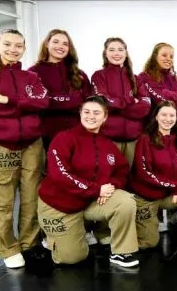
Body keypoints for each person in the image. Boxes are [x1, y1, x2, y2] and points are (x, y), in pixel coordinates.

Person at [0, 29, 48, 269]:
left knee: (31, 197)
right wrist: (26, 107)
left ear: (24, 48)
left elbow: (43, 102)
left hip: (31, 144)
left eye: (18, 45)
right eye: (7, 44)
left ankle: (29, 243)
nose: (13, 49)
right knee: (1, 199)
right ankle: (8, 248)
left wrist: (7, 100)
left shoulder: (30, 77)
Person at [37, 96, 139, 268]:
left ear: (105, 117)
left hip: (88, 201)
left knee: (125, 201)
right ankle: (53, 237)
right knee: (72, 258)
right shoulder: (64, 138)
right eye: (87, 112)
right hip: (61, 205)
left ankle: (122, 252)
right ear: (80, 114)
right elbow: (60, 174)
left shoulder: (107, 144)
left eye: (96, 113)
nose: (91, 116)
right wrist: (96, 189)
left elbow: (122, 172)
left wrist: (110, 186)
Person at [130, 101, 177, 250]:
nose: (168, 119)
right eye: (164, 115)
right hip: (147, 198)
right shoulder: (145, 139)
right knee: (149, 243)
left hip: (167, 195)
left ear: (176, 118)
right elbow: (144, 173)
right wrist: (176, 185)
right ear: (156, 117)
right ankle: (137, 223)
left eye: (172, 115)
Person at [91, 37, 151, 166]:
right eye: (112, 50)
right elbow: (102, 102)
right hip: (108, 139)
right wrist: (130, 101)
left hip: (134, 141)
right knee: (109, 180)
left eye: (120, 49)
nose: (116, 53)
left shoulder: (135, 78)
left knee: (131, 180)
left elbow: (145, 107)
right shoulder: (98, 76)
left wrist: (117, 107)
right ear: (105, 53)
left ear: (126, 53)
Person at [29, 29, 92, 149]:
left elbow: (88, 103)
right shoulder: (33, 72)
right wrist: (72, 100)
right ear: (47, 44)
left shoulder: (79, 74)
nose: (60, 46)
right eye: (56, 42)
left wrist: (53, 100)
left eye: (65, 44)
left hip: (78, 134)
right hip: (46, 136)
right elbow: (38, 103)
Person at [138, 43, 177, 142]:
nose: (168, 59)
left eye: (171, 56)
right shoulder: (145, 77)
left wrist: (169, 94)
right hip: (157, 134)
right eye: (164, 55)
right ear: (155, 56)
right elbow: (160, 100)